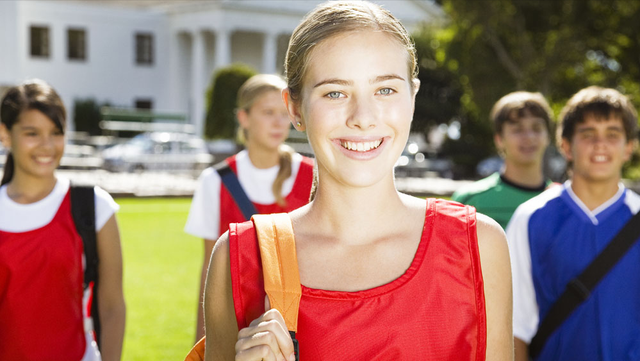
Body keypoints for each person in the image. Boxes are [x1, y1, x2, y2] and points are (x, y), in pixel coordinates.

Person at [203, 2, 513, 360]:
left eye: (385, 90)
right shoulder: (241, 258)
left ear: (412, 96)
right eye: (335, 92)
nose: (363, 118)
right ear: (295, 109)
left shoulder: (477, 246)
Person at [507, 86, 640, 361]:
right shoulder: (531, 218)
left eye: (612, 135)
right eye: (587, 134)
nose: (600, 144)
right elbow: (514, 326)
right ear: (566, 145)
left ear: (629, 147)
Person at [0, 79, 125, 360]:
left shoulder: (93, 206)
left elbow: (112, 307)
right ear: (5, 134)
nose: (47, 145)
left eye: (56, 133)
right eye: (32, 133)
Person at [184, 74, 314, 341]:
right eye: (268, 112)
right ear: (244, 118)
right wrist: (203, 344)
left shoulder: (313, 176)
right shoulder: (215, 181)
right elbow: (210, 274)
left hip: (305, 326)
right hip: (236, 329)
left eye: (284, 113)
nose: (279, 122)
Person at [452, 91, 554, 229]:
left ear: (548, 137)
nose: (529, 137)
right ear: (499, 139)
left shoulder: (562, 202)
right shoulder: (468, 202)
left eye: (536, 128)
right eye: (518, 129)